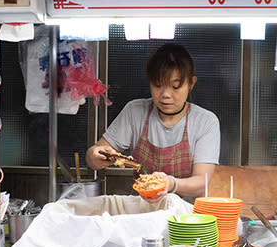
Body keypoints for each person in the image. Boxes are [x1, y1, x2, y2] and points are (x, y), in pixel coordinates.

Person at [86, 43, 220, 200]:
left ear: (191, 83)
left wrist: (170, 184)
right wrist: (95, 156)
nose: (165, 95)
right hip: (143, 210)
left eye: (175, 87)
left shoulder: (205, 122)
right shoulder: (134, 112)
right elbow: (94, 154)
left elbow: (200, 182)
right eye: (158, 85)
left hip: (187, 217)